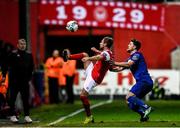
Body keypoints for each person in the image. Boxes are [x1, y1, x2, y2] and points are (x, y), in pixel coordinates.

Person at [62, 36, 113, 124]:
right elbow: (102, 55)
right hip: (92, 71)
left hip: (94, 78)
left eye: (101, 42)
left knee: (82, 96)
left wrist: (88, 59)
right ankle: (68, 57)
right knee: (85, 54)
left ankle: (89, 116)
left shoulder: (107, 54)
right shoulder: (106, 52)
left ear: (105, 44)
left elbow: (99, 58)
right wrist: (96, 51)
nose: (100, 43)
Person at [111, 39, 153, 122]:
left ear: (134, 47)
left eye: (130, 44)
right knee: (130, 103)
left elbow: (128, 64)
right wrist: (110, 68)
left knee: (129, 96)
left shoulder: (137, 55)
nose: (128, 45)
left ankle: (147, 108)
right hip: (144, 82)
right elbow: (120, 68)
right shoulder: (129, 58)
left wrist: (114, 62)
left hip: (144, 80)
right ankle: (144, 116)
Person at [1, 39, 34, 123]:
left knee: (25, 99)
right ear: (18, 45)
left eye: (24, 44)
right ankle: (12, 115)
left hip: (24, 81)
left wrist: (29, 77)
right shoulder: (13, 54)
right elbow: (5, 63)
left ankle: (27, 116)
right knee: (12, 98)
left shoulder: (29, 55)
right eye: (21, 44)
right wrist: (4, 75)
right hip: (14, 80)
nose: (23, 45)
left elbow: (31, 67)